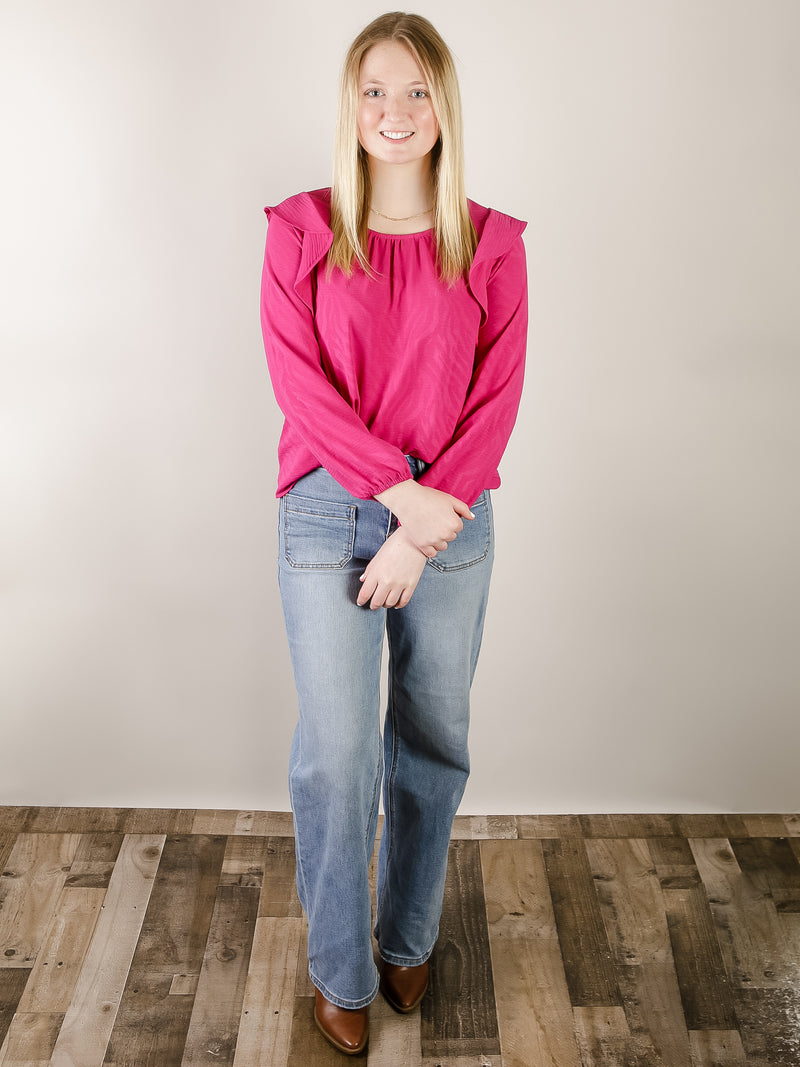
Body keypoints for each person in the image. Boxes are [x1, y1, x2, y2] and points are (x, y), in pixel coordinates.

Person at [260, 11, 528, 1056]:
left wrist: (420, 523)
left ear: (443, 106)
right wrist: (389, 495)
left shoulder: (492, 242)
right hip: (327, 509)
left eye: (415, 91)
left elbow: (496, 397)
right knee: (334, 756)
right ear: (348, 104)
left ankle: (406, 933)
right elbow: (300, 384)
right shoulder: (300, 228)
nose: (394, 111)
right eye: (374, 90)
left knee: (431, 740)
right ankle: (340, 967)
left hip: (451, 515)